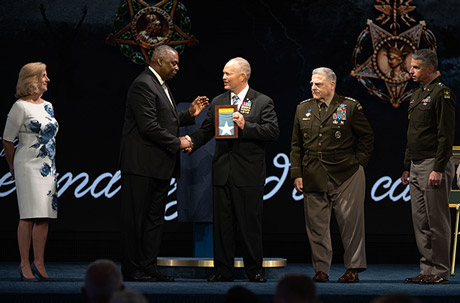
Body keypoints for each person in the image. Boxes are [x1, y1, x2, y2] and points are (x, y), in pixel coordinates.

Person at [119, 45, 209, 282]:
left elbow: (166, 119)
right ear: (158, 61)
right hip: (140, 165)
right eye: (173, 63)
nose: (177, 68)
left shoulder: (160, 85)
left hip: (159, 166)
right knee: (136, 219)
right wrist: (179, 142)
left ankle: (148, 266)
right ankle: (132, 269)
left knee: (154, 220)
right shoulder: (143, 84)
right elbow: (148, 126)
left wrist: (189, 114)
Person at [187, 57, 280, 282]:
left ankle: (255, 270)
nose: (224, 77)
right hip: (222, 173)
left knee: (250, 225)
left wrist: (245, 126)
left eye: (228, 74)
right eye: (223, 73)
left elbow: (272, 131)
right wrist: (190, 141)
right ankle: (223, 270)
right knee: (223, 226)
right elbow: (207, 130)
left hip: (248, 175)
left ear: (242, 76)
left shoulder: (262, 101)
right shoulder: (219, 100)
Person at [290, 67, 373, 283]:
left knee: (351, 224)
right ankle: (321, 270)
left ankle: (353, 269)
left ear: (332, 85)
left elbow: (367, 137)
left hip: (346, 172)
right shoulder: (303, 109)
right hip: (313, 172)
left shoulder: (349, 106)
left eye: (318, 84)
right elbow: (296, 145)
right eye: (311, 84)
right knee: (316, 225)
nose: (313, 87)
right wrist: (296, 173)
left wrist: (359, 164)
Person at [401, 49, 456, 285]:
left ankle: (440, 271)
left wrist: (438, 168)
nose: (410, 71)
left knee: (437, 221)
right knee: (421, 221)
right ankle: (427, 270)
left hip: (433, 164)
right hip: (415, 164)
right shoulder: (417, 95)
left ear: (430, 69)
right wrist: (406, 166)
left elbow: (446, 135)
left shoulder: (442, 94)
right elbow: (413, 135)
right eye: (411, 67)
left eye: (415, 67)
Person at [2, 62, 58, 282]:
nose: (47, 79)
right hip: (27, 166)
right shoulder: (20, 107)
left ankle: (39, 262)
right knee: (28, 215)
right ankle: (24, 264)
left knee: (44, 216)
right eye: (44, 75)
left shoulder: (48, 106)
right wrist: (12, 167)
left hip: (48, 167)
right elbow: (7, 140)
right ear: (32, 79)